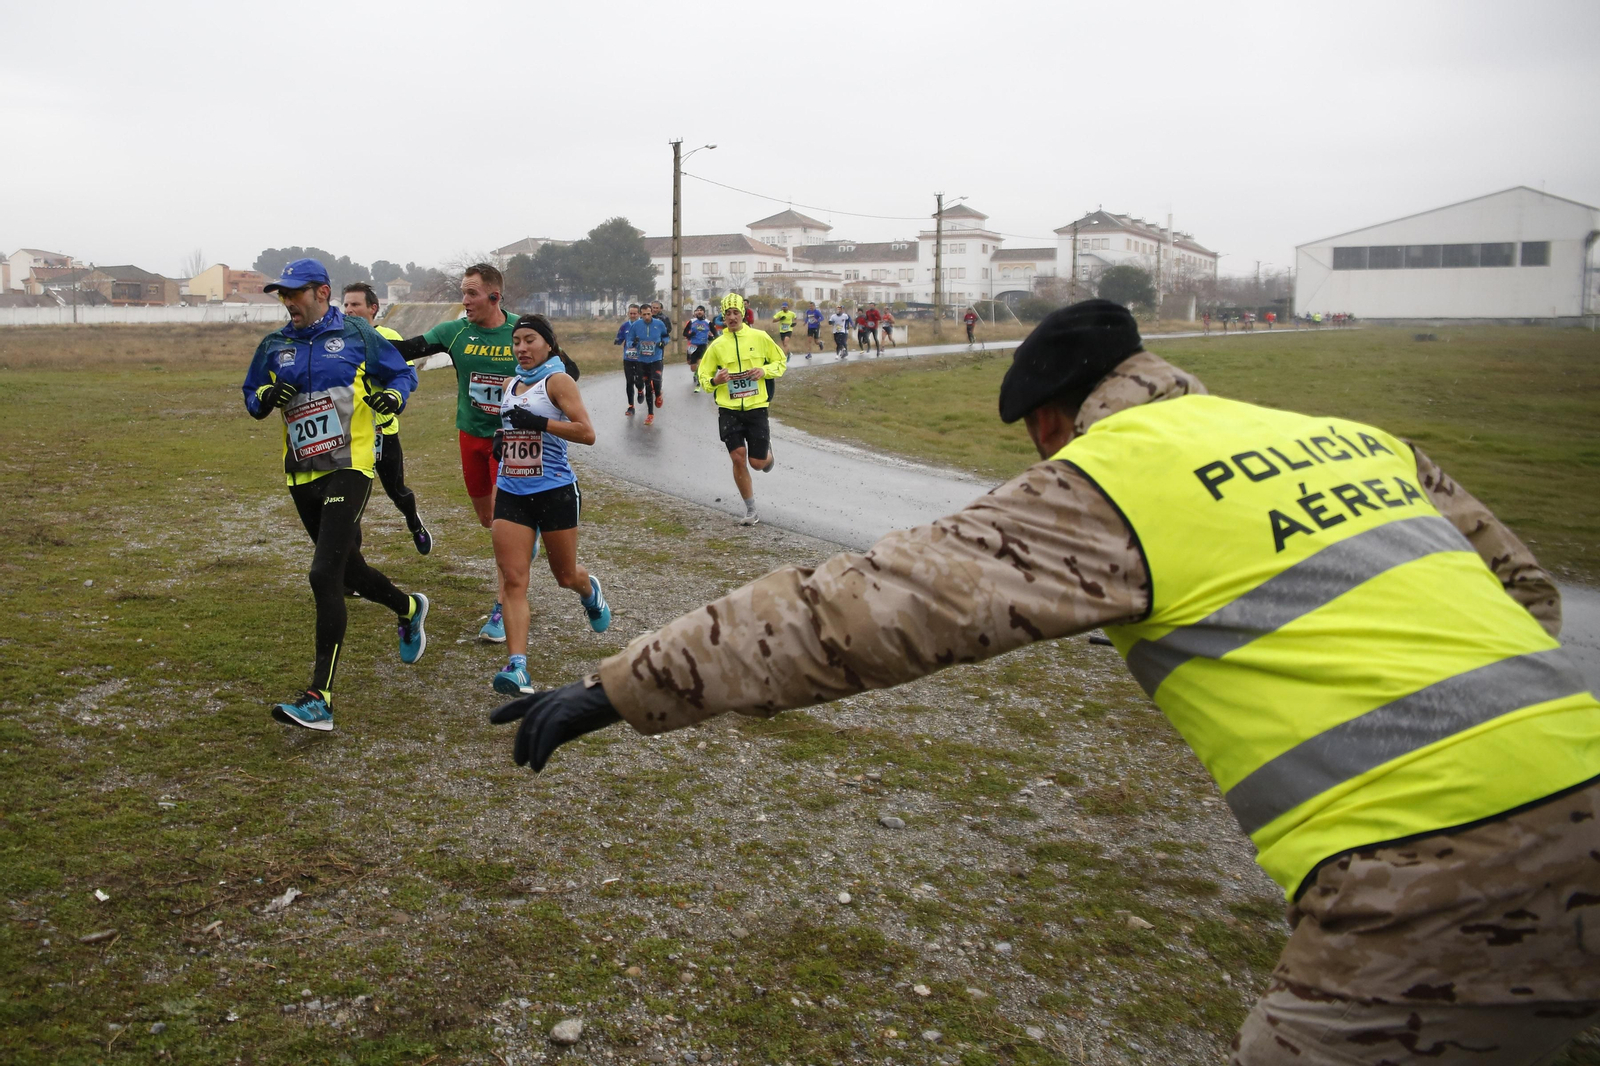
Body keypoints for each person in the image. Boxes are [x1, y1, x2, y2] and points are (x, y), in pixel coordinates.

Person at [490, 299, 1599, 1063]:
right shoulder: (1346, 436)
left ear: (1055, 420)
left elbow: (855, 611)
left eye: (1038, 444)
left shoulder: (1108, 477)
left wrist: (620, 686)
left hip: (1439, 865)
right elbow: (1524, 594)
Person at [242, 259, 426, 731]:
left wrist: (395, 397)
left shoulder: (360, 336)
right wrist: (266, 397)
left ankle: (319, 697)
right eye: (281, 295)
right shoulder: (275, 344)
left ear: (321, 292)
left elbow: (403, 374)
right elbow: (251, 396)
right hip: (302, 473)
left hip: (351, 466)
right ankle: (408, 608)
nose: (287, 302)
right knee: (349, 568)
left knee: (324, 573)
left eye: (294, 293)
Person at [383, 263, 518, 642]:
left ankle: (502, 605)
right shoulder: (454, 332)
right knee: (488, 520)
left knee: (504, 530)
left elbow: (565, 369)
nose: (465, 300)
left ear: (494, 296)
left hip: (510, 440)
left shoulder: (523, 331)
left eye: (472, 293)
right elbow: (405, 350)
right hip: (470, 437)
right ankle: (522, 542)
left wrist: (530, 389)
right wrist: (357, 336)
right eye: (463, 292)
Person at [489, 315, 610, 695]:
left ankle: (588, 590)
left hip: (554, 490)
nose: (521, 349)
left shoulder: (558, 381)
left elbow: (586, 433)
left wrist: (541, 423)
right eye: (516, 342)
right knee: (513, 580)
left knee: (564, 576)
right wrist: (500, 437)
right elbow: (509, 422)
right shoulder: (510, 383)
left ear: (548, 344)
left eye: (530, 341)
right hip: (511, 490)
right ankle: (517, 667)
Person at [341, 282, 431, 555]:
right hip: (349, 433)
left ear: (373, 308)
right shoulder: (338, 340)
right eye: (345, 305)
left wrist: (389, 393)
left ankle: (414, 522)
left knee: (397, 492)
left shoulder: (388, 335)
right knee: (348, 502)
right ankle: (350, 567)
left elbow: (409, 377)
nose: (349, 310)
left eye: (355, 304)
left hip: (382, 431)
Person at [692, 292, 785, 525]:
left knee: (757, 463)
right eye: (728, 314)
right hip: (728, 409)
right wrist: (715, 381)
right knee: (737, 457)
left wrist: (764, 371)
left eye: (736, 313)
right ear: (723, 317)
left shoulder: (760, 337)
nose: (732, 317)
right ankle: (751, 510)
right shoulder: (717, 345)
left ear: (742, 314)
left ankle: (767, 455)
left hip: (756, 407)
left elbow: (780, 361)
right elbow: (702, 375)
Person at [626, 303, 670, 425]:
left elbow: (666, 337)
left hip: (656, 358)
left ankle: (659, 394)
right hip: (642, 360)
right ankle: (650, 414)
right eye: (644, 314)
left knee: (656, 380)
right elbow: (629, 340)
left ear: (652, 313)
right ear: (640, 314)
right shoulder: (636, 325)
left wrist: (663, 343)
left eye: (649, 314)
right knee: (647, 386)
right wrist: (633, 343)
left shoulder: (659, 324)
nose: (646, 317)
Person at [615, 303, 641, 414]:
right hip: (628, 358)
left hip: (641, 359)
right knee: (629, 381)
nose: (633, 315)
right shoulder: (624, 326)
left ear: (639, 314)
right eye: (631, 313)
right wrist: (617, 341)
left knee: (639, 381)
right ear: (628, 314)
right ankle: (631, 406)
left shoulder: (644, 325)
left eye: (635, 313)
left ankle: (640, 390)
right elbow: (619, 338)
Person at [683, 305, 713, 391]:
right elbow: (684, 333)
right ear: (695, 312)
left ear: (704, 312)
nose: (699, 312)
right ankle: (696, 372)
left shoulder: (708, 322)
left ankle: (699, 383)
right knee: (692, 367)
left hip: (702, 345)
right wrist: (690, 335)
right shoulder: (691, 322)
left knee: (700, 363)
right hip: (692, 346)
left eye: (701, 310)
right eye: (697, 310)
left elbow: (715, 334)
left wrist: (711, 337)